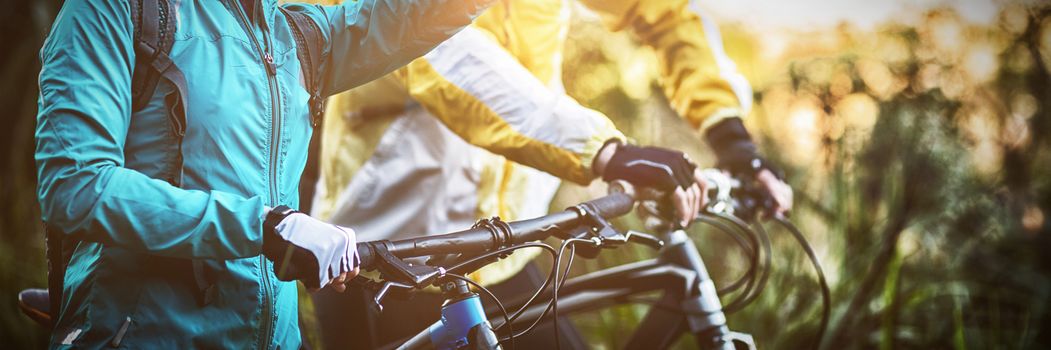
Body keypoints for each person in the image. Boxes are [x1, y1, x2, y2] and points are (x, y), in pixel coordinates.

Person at [307, 0, 792, 347]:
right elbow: (446, 58)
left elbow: (665, 12)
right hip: (389, 263)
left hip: (507, 252)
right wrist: (604, 151)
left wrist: (732, 140)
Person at [34, 0, 498, 348]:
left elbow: (416, 13)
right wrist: (265, 227)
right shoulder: (115, 11)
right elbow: (77, 187)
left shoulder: (295, 32)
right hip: (144, 333)